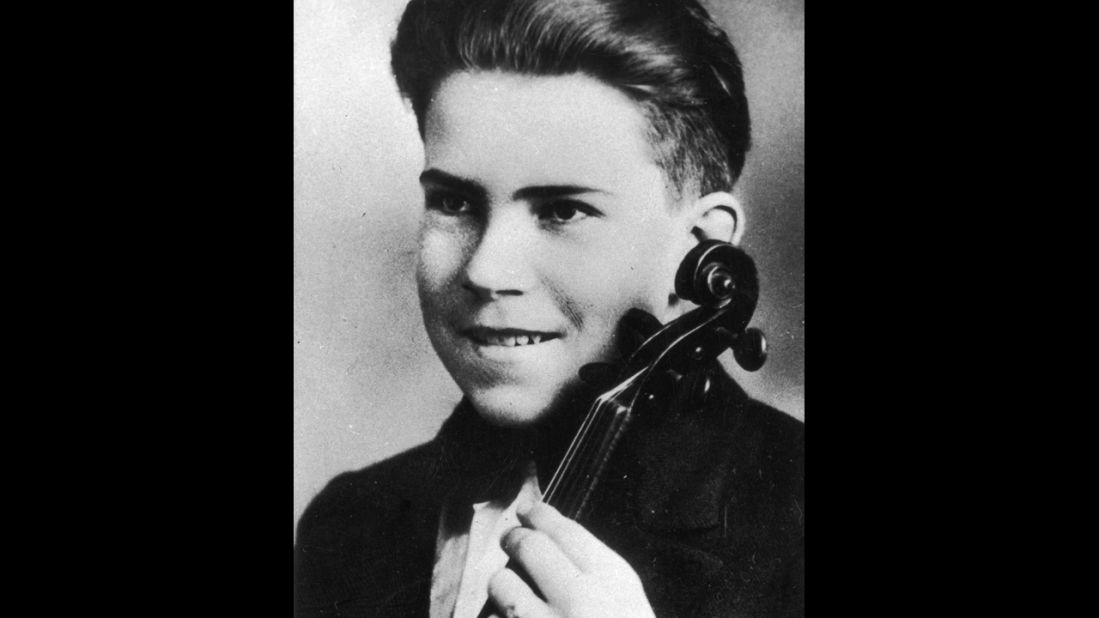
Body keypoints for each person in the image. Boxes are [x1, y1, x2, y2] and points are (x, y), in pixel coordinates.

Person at [294, 0, 803, 615]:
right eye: (454, 203)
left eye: (563, 210)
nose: (486, 270)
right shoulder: (345, 524)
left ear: (699, 247)